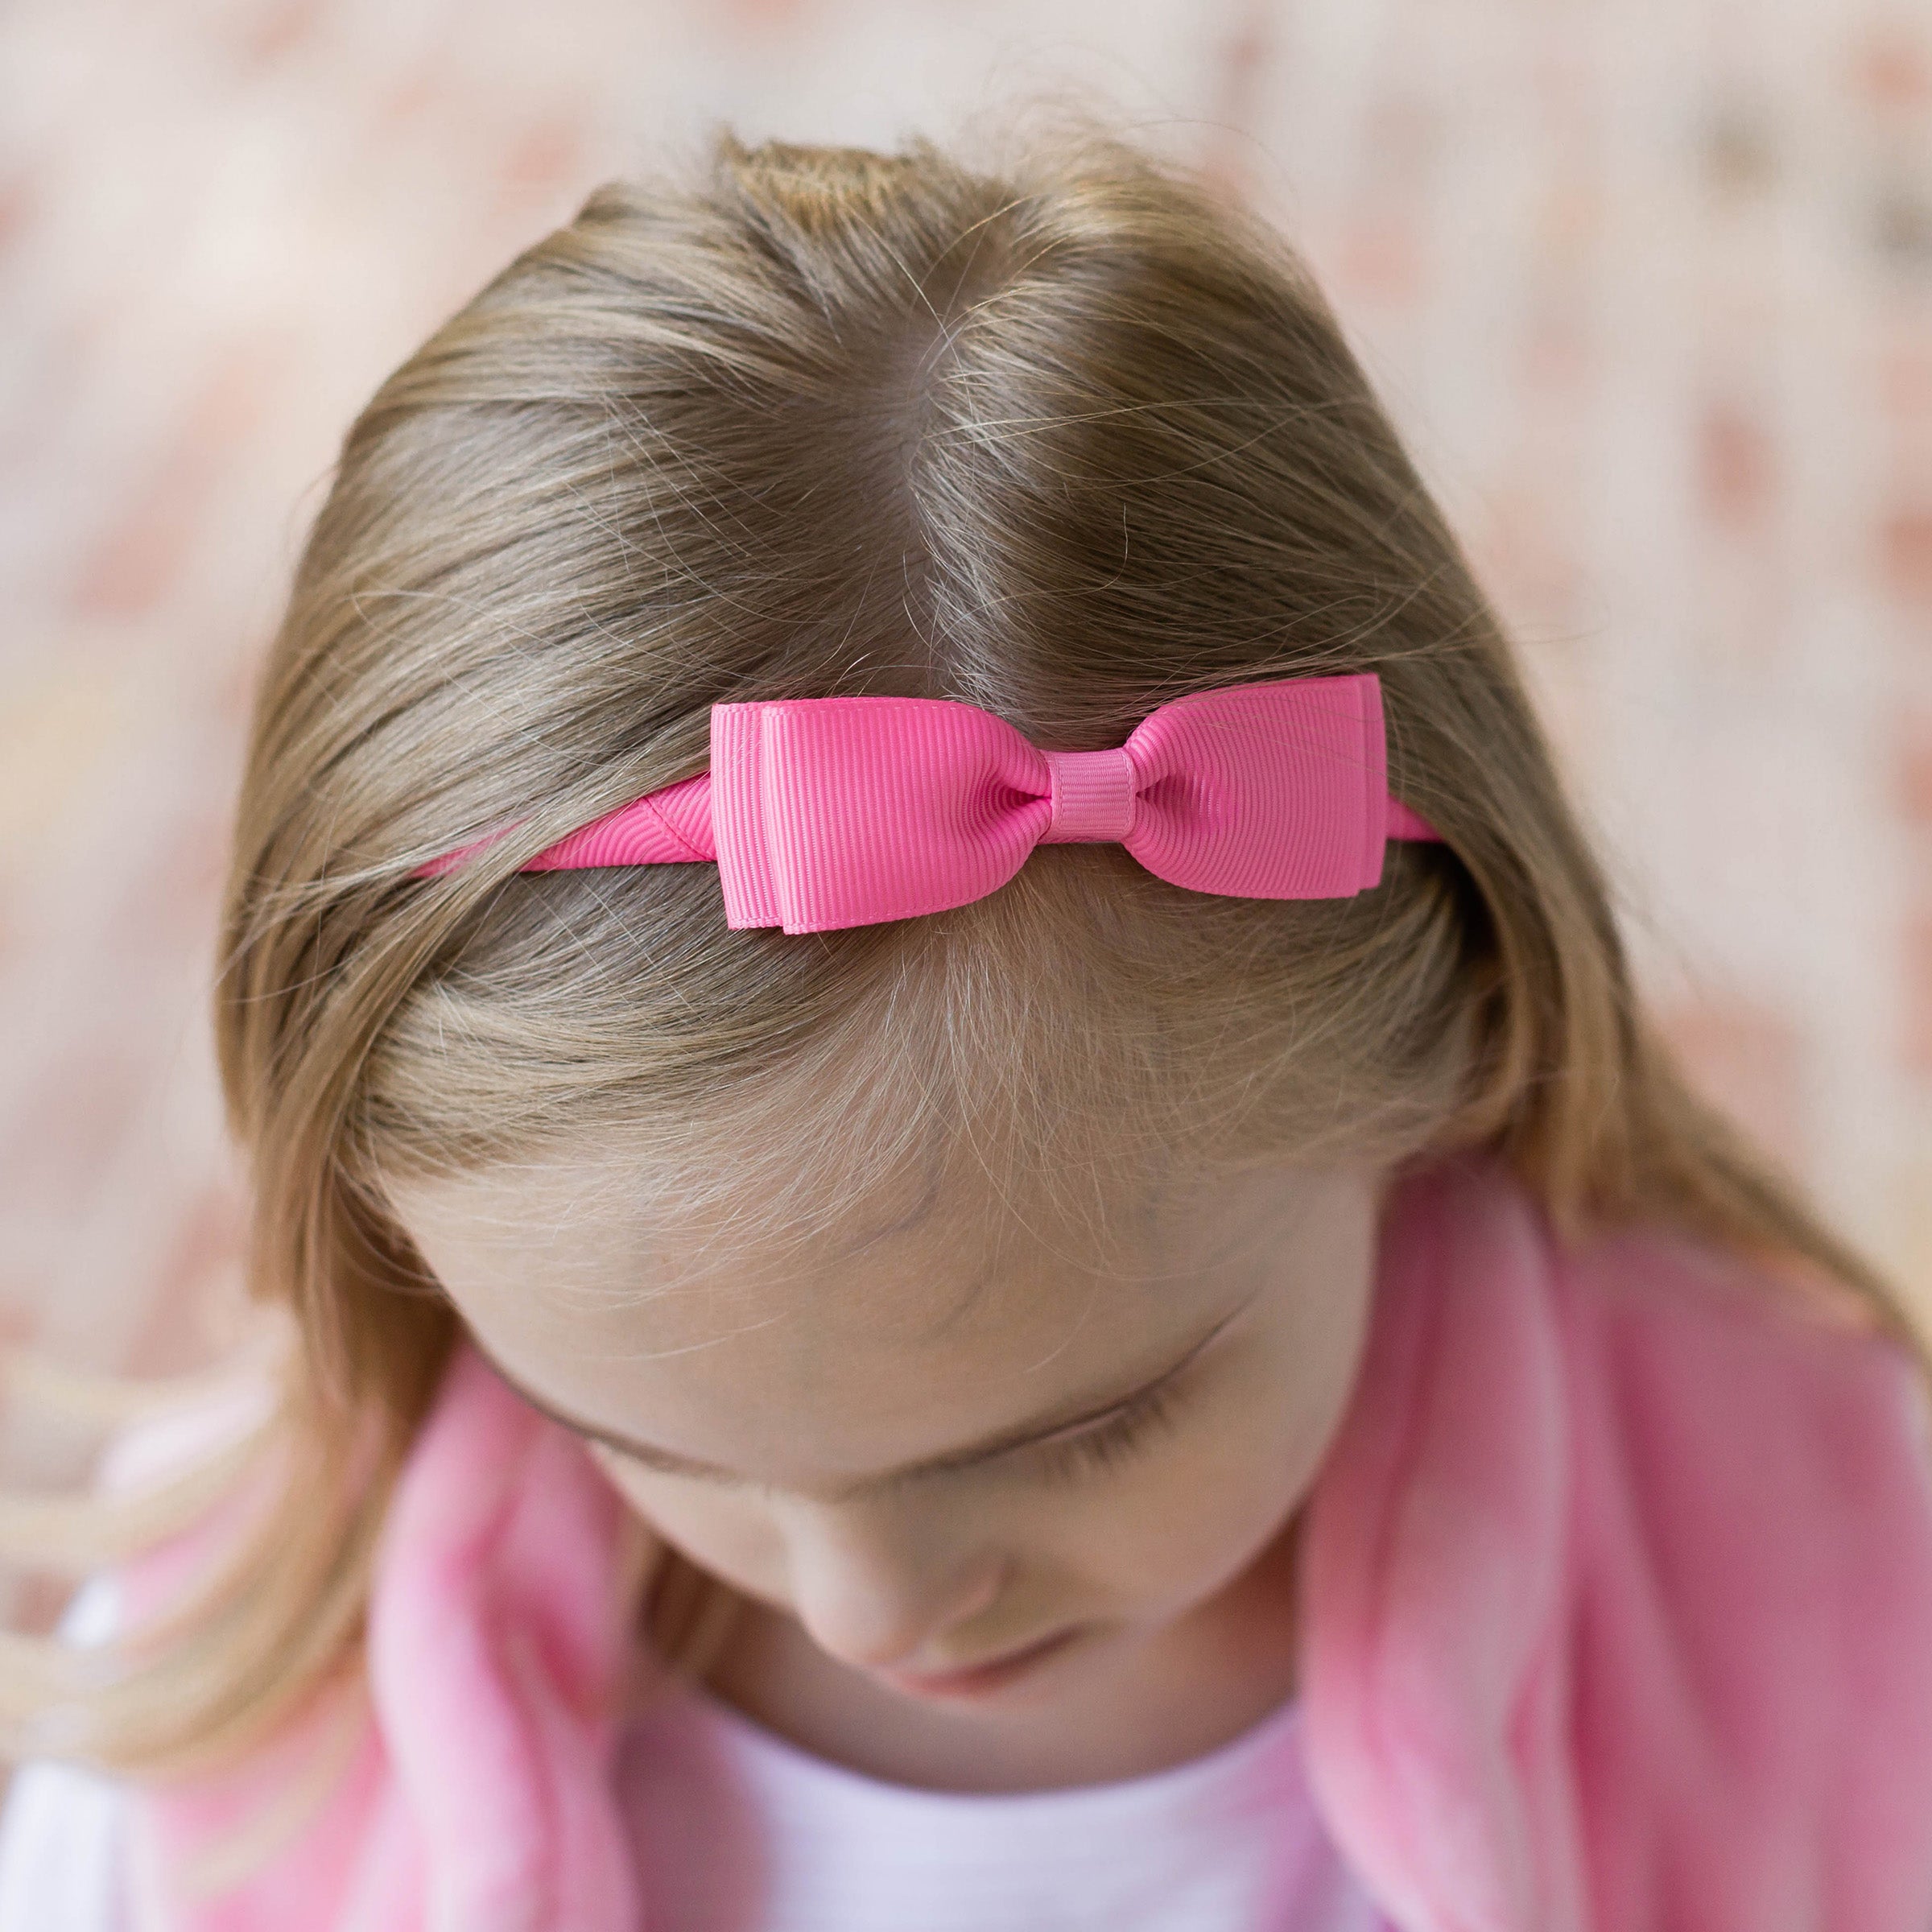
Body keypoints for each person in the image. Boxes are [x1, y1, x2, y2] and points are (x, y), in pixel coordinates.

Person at [2, 122, 1930, 1932]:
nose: (874, 1609)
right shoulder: (212, 1757)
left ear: (1462, 1029)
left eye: (1095, 1430)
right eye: (640, 1439)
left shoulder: (1836, 1591)